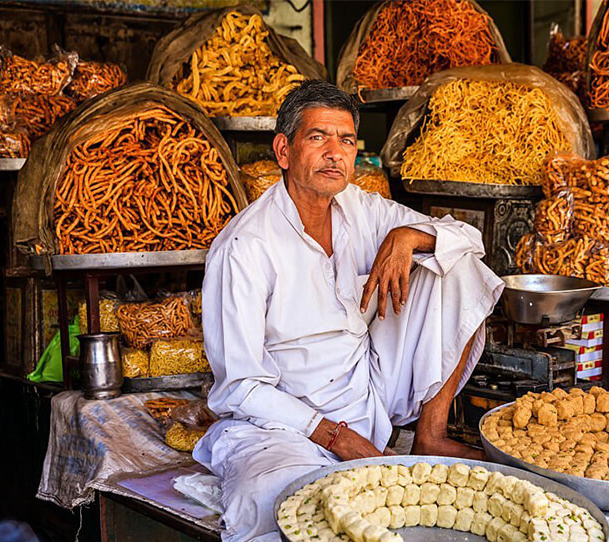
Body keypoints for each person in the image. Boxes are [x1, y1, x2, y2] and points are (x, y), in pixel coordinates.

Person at [195, 80, 503, 541]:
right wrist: (335, 436)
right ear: (284, 150)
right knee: (280, 501)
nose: (335, 153)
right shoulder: (244, 246)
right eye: (318, 137)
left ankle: (431, 434)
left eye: (346, 140)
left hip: (369, 389)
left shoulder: (361, 208)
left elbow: (470, 238)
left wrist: (410, 238)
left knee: (460, 267)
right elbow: (240, 386)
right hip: (284, 422)